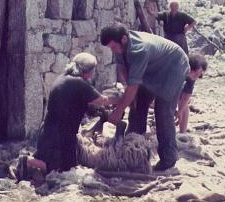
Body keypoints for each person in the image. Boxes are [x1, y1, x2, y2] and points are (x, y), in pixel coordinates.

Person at [14, 53, 120, 182]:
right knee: (54, 168)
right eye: (93, 70)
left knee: (68, 166)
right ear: (88, 71)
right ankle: (26, 160)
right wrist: (123, 100)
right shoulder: (79, 83)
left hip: (52, 131)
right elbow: (102, 100)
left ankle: (29, 163)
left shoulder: (63, 78)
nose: (93, 74)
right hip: (58, 135)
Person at [100, 24, 190, 171]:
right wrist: (130, 93)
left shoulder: (139, 49)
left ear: (123, 39)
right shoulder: (120, 45)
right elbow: (123, 68)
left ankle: (168, 158)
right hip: (152, 68)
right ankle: (133, 150)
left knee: (162, 112)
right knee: (136, 107)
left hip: (173, 67)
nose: (113, 50)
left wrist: (118, 111)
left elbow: (133, 86)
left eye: (113, 47)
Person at [176, 53, 208, 133]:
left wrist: (180, 111)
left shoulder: (192, 77)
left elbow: (186, 96)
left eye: (199, 75)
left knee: (183, 104)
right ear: (189, 68)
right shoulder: (178, 69)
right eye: (196, 73)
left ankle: (183, 132)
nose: (197, 76)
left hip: (181, 84)